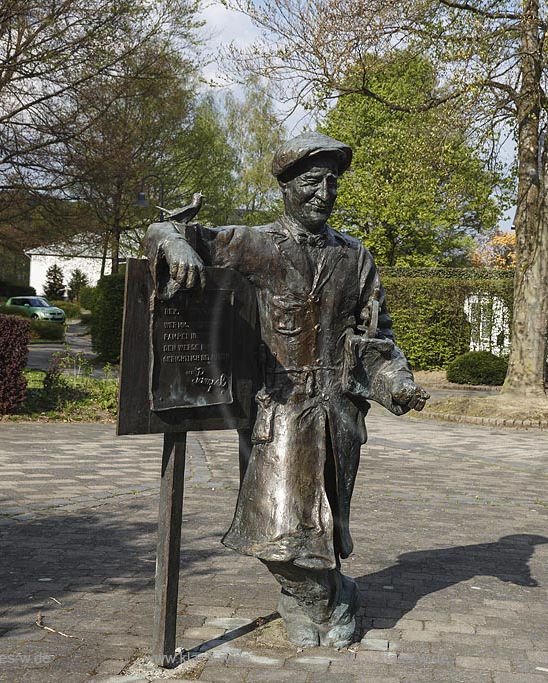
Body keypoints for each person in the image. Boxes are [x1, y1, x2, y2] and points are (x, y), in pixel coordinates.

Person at [144, 131, 429, 647]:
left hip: (340, 409)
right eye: (312, 182)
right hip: (277, 408)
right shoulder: (253, 245)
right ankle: (314, 599)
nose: (324, 193)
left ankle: (329, 594)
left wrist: (397, 381)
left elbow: (377, 335)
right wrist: (172, 242)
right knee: (278, 524)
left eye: (332, 183)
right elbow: (166, 227)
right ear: (287, 187)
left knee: (327, 513)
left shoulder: (355, 257)